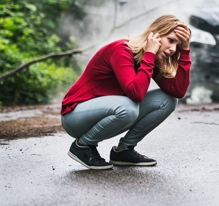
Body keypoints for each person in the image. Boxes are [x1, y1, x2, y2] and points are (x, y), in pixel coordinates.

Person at [60, 14, 191, 170]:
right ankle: (83, 146)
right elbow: (136, 94)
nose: (173, 49)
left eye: (178, 45)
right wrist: (149, 55)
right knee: (128, 107)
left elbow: (178, 91)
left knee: (167, 100)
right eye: (171, 40)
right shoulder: (121, 49)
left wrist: (185, 51)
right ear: (155, 35)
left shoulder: (152, 59)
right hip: (75, 116)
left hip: (106, 113)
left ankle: (123, 151)